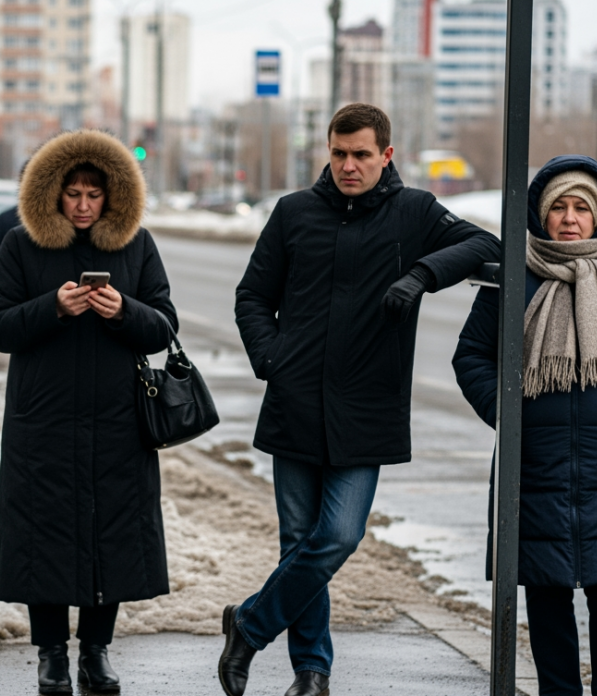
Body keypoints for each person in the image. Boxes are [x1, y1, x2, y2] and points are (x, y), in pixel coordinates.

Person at [219, 103, 501, 696]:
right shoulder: (294, 212)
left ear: (386, 155)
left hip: (367, 406)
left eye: (361, 155)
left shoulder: (416, 211)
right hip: (294, 401)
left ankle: (248, 625)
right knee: (299, 543)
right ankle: (312, 673)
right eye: (339, 153)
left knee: (339, 536)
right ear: (329, 150)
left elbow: (483, 244)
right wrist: (272, 358)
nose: (348, 165)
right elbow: (251, 297)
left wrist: (422, 273)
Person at [452, 155, 597, 696]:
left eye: (581, 206)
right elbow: (471, 357)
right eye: (559, 205)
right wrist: (511, 416)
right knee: (547, 597)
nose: (570, 217)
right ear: (541, 213)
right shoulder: (513, 277)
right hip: (535, 465)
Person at [0, 129, 177, 695]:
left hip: (118, 421)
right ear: (53, 194)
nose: (85, 206)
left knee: (110, 532)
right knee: (44, 533)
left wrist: (123, 311)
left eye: (95, 195)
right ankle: (50, 654)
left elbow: (164, 326)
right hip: (42, 421)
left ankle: (96, 650)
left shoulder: (136, 245)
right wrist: (53, 307)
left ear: (113, 196)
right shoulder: (22, 246)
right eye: (74, 195)